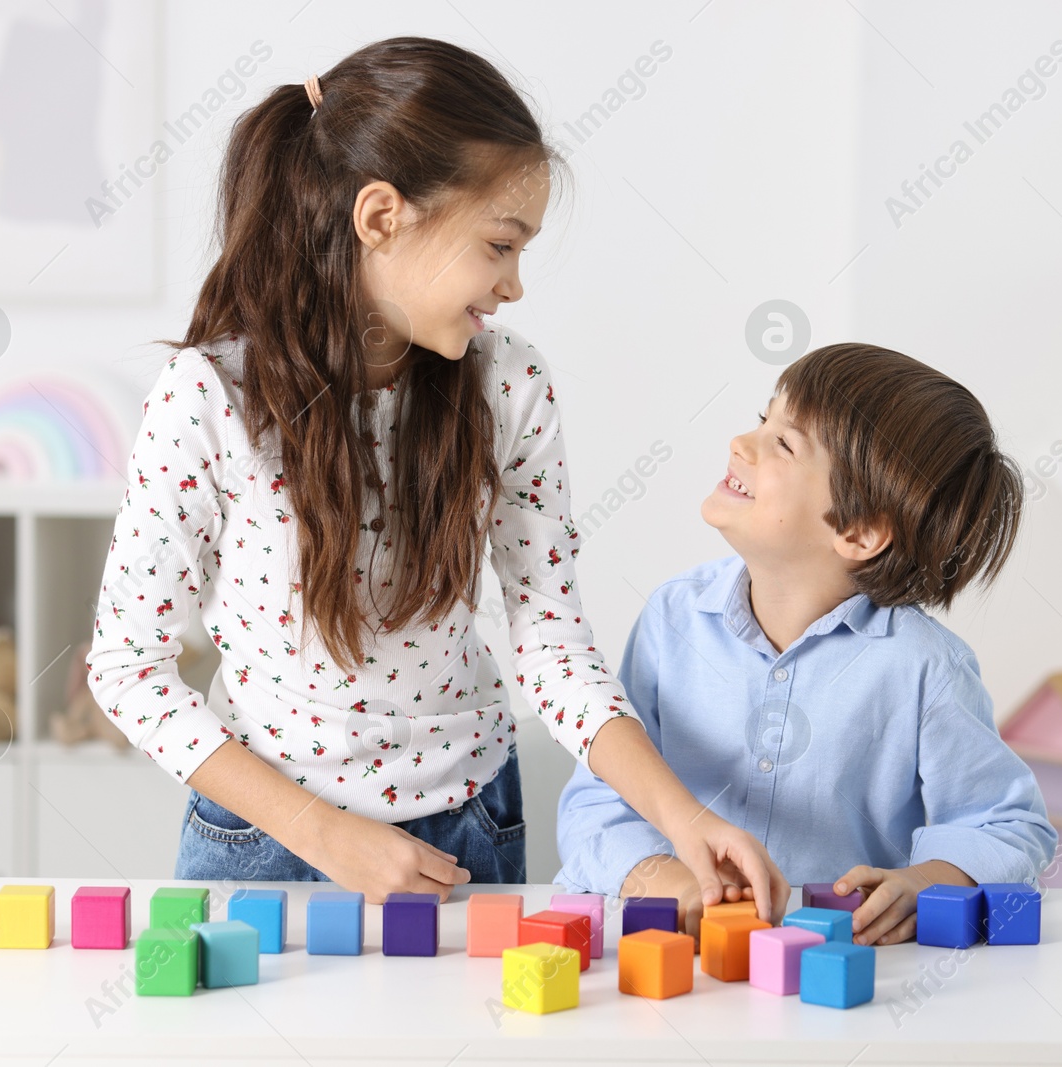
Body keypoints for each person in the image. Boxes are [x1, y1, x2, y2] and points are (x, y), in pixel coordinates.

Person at [85, 37, 786, 915]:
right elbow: (126, 667)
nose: (515, 284)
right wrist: (321, 831)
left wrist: (682, 818)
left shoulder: (510, 385)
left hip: (469, 834)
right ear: (382, 217)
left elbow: (552, 646)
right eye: (500, 244)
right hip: (266, 842)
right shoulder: (209, 397)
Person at [555, 342, 1058, 943]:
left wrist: (927, 881)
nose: (743, 442)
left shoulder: (925, 667)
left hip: (832, 982)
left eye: (784, 444)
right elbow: (596, 803)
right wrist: (668, 880)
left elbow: (1007, 825)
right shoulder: (674, 619)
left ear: (859, 531)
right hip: (675, 965)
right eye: (764, 418)